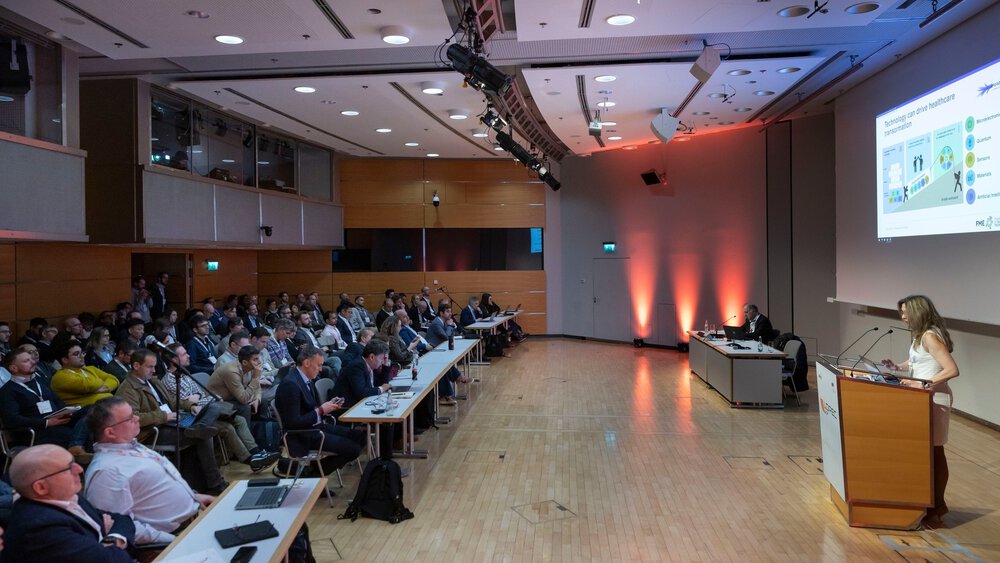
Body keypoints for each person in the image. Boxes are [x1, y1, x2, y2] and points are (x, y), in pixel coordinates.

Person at [83, 397, 213, 544]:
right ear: (110, 432)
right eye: (130, 418)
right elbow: (119, 525)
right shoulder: (106, 473)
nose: (137, 418)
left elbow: (156, 487)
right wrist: (173, 542)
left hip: (194, 516)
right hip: (173, 538)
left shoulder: (129, 445)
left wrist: (193, 497)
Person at [881, 294, 959, 530]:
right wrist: (899, 367)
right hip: (924, 398)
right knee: (928, 453)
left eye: (905, 312)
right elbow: (919, 360)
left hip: (936, 399)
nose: (902, 317)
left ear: (918, 312)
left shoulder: (930, 335)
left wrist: (922, 384)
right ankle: (929, 503)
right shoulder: (919, 336)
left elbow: (952, 369)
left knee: (936, 453)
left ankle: (938, 509)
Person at [3, 444, 135, 562]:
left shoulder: (67, 496)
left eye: (74, 462)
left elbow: (121, 519)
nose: (79, 469)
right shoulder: (40, 528)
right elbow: (113, 560)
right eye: (68, 468)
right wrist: (113, 544)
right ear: (41, 488)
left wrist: (112, 539)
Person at [273, 345, 366, 474]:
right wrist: (321, 410)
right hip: (303, 434)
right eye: (319, 365)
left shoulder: (306, 378)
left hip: (316, 427)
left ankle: (310, 470)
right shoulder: (290, 385)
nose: (321, 369)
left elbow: (312, 408)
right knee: (353, 449)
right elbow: (293, 422)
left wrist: (329, 405)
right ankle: (313, 473)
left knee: (360, 437)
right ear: (307, 363)